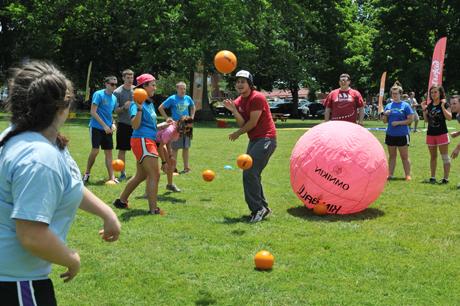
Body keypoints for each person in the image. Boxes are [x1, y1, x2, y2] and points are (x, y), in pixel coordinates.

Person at [0, 61, 121, 305]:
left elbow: (70, 185)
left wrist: (107, 213)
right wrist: (70, 258)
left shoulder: (28, 136)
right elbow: (32, 235)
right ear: (62, 108)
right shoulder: (38, 157)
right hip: (16, 284)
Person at [223, 70, 277, 223]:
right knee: (252, 173)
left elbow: (252, 123)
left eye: (243, 81)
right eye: (238, 81)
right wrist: (234, 110)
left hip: (266, 139)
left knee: (249, 172)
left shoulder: (257, 97)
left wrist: (238, 133)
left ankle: (257, 209)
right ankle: (263, 207)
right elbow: (242, 123)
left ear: (250, 84)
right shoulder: (239, 101)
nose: (239, 84)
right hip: (254, 140)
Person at [113, 73, 171, 214]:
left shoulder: (149, 104)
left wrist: (164, 124)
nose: (155, 88)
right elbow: (135, 125)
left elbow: (150, 126)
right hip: (143, 141)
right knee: (155, 175)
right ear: (143, 87)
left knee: (141, 175)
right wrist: (138, 107)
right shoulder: (136, 104)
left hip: (147, 139)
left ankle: (121, 201)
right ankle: (153, 209)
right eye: (153, 85)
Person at [83, 76, 118, 184]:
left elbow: (109, 114)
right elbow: (93, 112)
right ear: (106, 84)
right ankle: (87, 173)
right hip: (96, 127)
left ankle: (112, 177)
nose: (114, 86)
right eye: (112, 84)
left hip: (107, 129)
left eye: (115, 85)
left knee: (109, 153)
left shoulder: (114, 98)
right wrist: (104, 126)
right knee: (95, 150)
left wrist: (113, 123)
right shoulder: (99, 94)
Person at [158, 81, 196, 174]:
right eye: (181, 88)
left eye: (184, 89)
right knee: (175, 148)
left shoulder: (188, 98)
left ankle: (186, 168)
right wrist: (167, 118)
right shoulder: (172, 98)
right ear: (177, 89)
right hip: (176, 126)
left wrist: (192, 117)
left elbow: (193, 107)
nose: (183, 90)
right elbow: (160, 108)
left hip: (187, 126)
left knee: (186, 147)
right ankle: (173, 168)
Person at [382, 83, 414, 180]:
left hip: (402, 134)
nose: (394, 95)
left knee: (404, 156)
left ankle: (407, 175)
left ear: (400, 94)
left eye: (396, 93)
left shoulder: (406, 105)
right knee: (392, 156)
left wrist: (398, 123)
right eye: (393, 93)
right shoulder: (388, 105)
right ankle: (390, 174)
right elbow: (384, 121)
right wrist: (385, 114)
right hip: (390, 134)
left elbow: (410, 120)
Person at [421, 85, 452, 184]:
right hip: (430, 134)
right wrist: (424, 110)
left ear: (440, 93)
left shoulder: (445, 104)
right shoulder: (429, 105)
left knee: (444, 157)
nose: (433, 94)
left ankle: (445, 178)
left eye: (435, 92)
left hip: (442, 134)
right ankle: (432, 177)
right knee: (433, 157)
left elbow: (449, 117)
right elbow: (426, 120)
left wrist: (442, 107)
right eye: (432, 92)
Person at [156, 116, 194, 193]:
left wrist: (170, 155)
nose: (188, 130)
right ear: (182, 125)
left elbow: (168, 142)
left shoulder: (177, 131)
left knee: (172, 162)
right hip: (152, 142)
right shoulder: (170, 130)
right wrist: (163, 162)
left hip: (159, 143)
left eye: (190, 129)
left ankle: (170, 185)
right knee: (153, 168)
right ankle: (148, 192)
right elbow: (160, 146)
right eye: (187, 128)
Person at [113, 69, 135, 181]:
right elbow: (115, 110)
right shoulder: (117, 92)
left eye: (132, 77)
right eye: (128, 78)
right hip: (123, 124)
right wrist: (123, 107)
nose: (130, 80)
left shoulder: (136, 90)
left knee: (139, 149)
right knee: (122, 150)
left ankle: (140, 172)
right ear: (123, 78)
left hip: (135, 125)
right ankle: (122, 173)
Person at [448, 95, 460, 188]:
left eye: (455, 103)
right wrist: (458, 133)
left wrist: (457, 148)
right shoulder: (458, 115)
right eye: (451, 104)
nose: (452, 106)